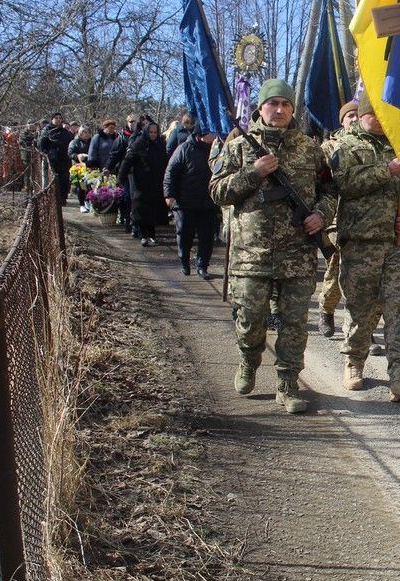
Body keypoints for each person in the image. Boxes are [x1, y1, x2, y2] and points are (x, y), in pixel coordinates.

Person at [209, 78, 337, 415]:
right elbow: (218, 191)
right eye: (272, 104)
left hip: (297, 255)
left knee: (294, 326)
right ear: (260, 108)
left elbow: (329, 191)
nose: (279, 110)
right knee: (250, 321)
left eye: (285, 105)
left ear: (293, 109)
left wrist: (321, 216)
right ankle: (249, 361)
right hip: (251, 255)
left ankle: (287, 385)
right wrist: (253, 173)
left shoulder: (310, 149)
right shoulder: (238, 147)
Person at [331, 92, 400, 402]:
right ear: (361, 115)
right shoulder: (346, 146)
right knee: (362, 310)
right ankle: (353, 363)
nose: (382, 121)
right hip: (361, 245)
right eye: (376, 115)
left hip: (399, 244)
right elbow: (344, 184)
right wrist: (387, 170)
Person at [316, 100, 358, 338]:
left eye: (356, 114)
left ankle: (359, 324)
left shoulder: (368, 144)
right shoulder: (329, 147)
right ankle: (327, 310)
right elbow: (322, 183)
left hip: (362, 218)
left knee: (358, 272)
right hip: (335, 217)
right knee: (338, 265)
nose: (353, 119)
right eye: (348, 115)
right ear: (341, 121)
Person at [165, 126, 219, 278]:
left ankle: (202, 266)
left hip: (208, 202)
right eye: (212, 133)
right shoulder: (183, 149)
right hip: (185, 202)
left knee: (207, 237)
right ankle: (184, 262)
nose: (215, 135)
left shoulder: (216, 150)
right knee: (184, 236)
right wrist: (169, 194)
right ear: (201, 134)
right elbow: (171, 173)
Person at [120, 120, 167, 246]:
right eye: (150, 132)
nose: (153, 135)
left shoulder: (160, 144)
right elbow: (127, 161)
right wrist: (121, 178)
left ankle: (152, 234)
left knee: (153, 211)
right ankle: (143, 234)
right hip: (141, 183)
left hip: (156, 182)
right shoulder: (139, 144)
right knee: (141, 210)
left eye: (155, 132)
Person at [39, 112, 73, 202]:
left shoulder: (65, 131)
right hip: (52, 159)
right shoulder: (47, 130)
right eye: (56, 118)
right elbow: (41, 144)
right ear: (52, 119)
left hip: (64, 159)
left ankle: (62, 198)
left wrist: (69, 130)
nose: (58, 120)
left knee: (64, 180)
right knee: (51, 180)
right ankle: (50, 199)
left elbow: (71, 141)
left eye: (60, 118)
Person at [68, 125, 93, 212]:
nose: (86, 134)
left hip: (91, 166)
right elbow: (70, 153)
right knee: (81, 186)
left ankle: (89, 202)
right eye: (84, 132)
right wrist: (78, 156)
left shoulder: (92, 141)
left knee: (91, 185)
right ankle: (82, 204)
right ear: (80, 133)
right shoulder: (74, 142)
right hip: (79, 167)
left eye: (88, 132)